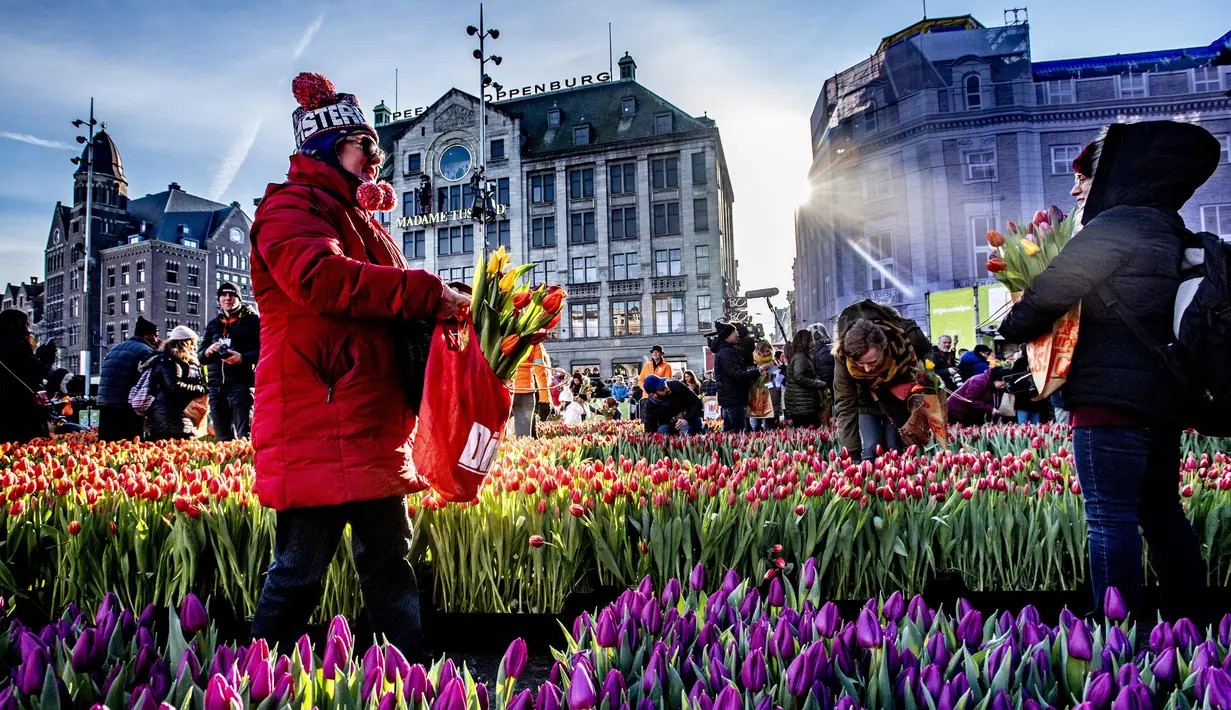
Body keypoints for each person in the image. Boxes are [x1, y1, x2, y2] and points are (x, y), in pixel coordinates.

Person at [248, 72, 470, 659]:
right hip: (319, 416)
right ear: (326, 147)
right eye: (363, 147)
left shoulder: (356, 217)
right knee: (299, 571)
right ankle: (247, 679)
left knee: (391, 562)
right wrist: (427, 293)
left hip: (367, 417)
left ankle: (415, 674)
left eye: (376, 149)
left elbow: (391, 300)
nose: (375, 159)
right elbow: (322, 280)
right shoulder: (290, 208)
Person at [999, 120, 1219, 621]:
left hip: (1108, 401)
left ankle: (1118, 639)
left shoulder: (1114, 226)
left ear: (1116, 175)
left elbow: (1043, 300)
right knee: (1163, 516)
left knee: (1109, 518)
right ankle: (1193, 625)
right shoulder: (1167, 227)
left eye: (1084, 176)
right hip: (1159, 402)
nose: (1075, 188)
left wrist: (1014, 318)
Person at [833, 301, 932, 461]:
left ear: (883, 347)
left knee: (896, 447)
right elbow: (845, 404)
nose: (866, 369)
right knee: (870, 449)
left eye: (872, 362)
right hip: (866, 400)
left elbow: (928, 352)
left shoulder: (907, 336)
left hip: (900, 397)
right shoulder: (843, 357)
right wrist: (852, 454)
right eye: (860, 364)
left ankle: (900, 482)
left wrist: (926, 375)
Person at [200, 283, 261, 440]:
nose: (228, 298)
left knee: (244, 436)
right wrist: (207, 352)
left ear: (239, 298)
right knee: (222, 438)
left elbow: (264, 350)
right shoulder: (213, 324)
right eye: (224, 295)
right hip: (216, 388)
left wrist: (242, 358)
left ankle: (245, 465)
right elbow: (200, 356)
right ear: (219, 299)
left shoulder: (253, 321)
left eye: (232, 295)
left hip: (241, 386)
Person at [97, 316, 159, 441]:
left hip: (105, 402)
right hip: (126, 406)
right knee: (129, 444)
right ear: (146, 335)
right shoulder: (145, 351)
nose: (156, 340)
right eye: (155, 335)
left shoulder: (116, 347)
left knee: (108, 443)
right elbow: (146, 381)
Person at [142, 326, 207, 441]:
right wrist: (201, 389)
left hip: (170, 414)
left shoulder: (170, 360)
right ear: (185, 344)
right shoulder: (170, 361)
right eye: (193, 343)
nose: (195, 347)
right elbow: (174, 386)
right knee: (178, 446)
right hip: (170, 417)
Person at [0, 309, 49, 445]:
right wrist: (43, 356)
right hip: (21, 409)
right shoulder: (19, 346)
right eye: (26, 325)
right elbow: (36, 373)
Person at [712, 323, 767, 433]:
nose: (737, 335)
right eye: (734, 333)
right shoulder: (726, 352)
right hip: (733, 397)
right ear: (727, 336)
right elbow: (736, 374)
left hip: (731, 397)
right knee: (738, 432)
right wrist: (758, 371)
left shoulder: (725, 350)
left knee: (729, 432)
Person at [784, 329, 830, 429]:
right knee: (811, 428)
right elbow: (798, 377)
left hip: (800, 401)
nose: (813, 343)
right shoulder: (800, 357)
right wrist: (818, 384)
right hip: (802, 403)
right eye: (811, 340)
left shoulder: (801, 356)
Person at [511, 342, 549, 437]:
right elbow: (540, 371)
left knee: (498, 438)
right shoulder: (534, 341)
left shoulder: (503, 333)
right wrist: (544, 400)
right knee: (523, 437)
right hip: (525, 392)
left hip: (504, 391)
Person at [1007, 346, 1047, 424]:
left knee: (1022, 424)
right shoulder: (1040, 361)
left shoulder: (1020, 362)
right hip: (1036, 397)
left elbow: (1014, 380)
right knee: (1036, 424)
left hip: (1022, 398)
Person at [748, 340, 777, 431]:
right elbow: (748, 377)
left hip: (770, 396)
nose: (765, 354)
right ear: (757, 351)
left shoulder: (774, 362)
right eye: (762, 351)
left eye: (768, 351)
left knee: (769, 427)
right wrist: (759, 373)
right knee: (755, 426)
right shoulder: (753, 362)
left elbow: (778, 380)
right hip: (756, 396)